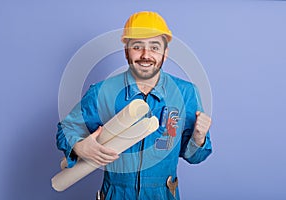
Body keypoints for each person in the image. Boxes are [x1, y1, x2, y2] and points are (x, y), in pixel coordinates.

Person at [56, 11, 212, 200]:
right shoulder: (102, 92)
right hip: (116, 194)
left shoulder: (186, 93)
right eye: (137, 47)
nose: (146, 55)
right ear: (126, 51)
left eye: (154, 47)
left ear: (165, 52)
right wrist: (79, 147)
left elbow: (195, 157)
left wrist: (199, 137)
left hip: (162, 195)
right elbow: (66, 129)